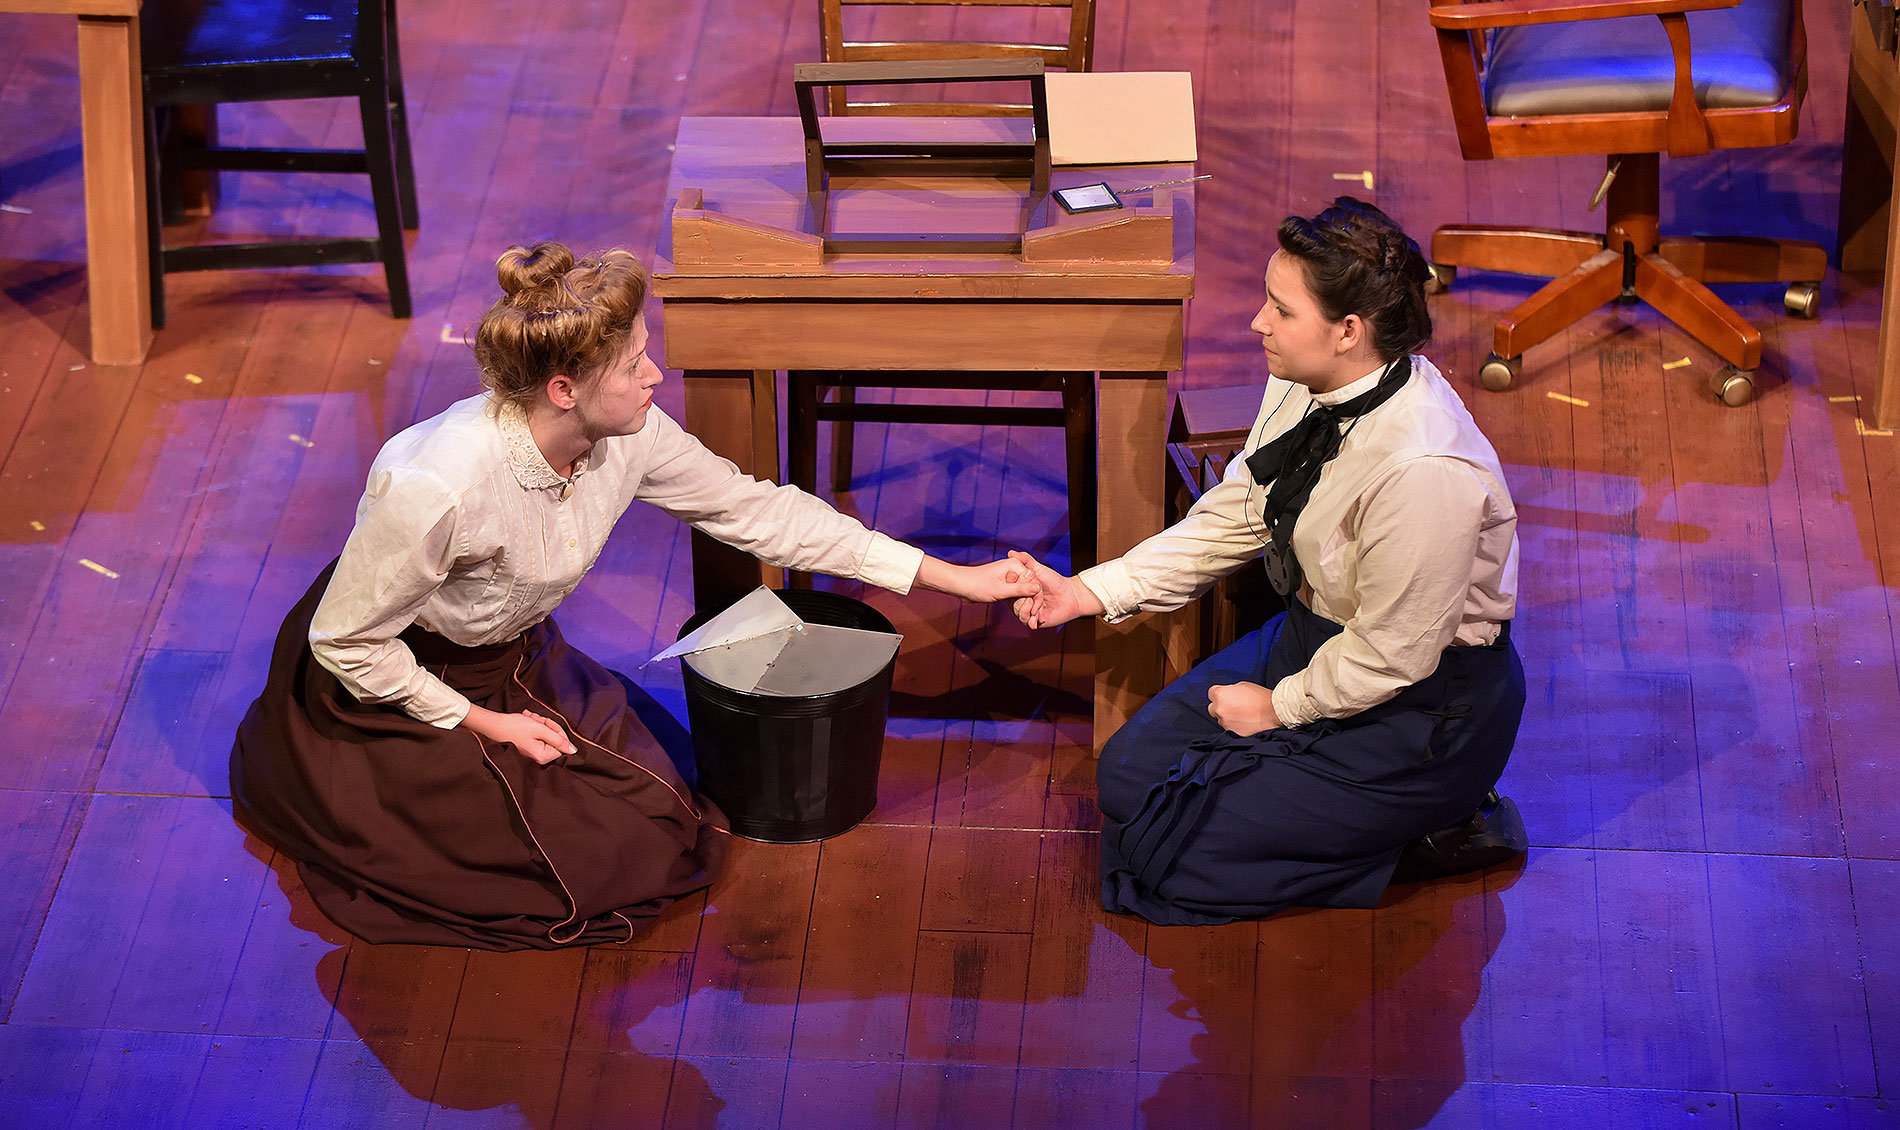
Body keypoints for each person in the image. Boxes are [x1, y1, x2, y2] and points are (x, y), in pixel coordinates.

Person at [232, 241, 1034, 951]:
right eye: (631, 367)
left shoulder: (630, 436)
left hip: (510, 660)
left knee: (659, 821)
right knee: (586, 868)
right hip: (400, 678)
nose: (655, 376)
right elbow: (345, 642)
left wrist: (951, 579)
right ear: (561, 389)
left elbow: (757, 512)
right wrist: (488, 724)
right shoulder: (438, 485)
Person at [1009, 198, 1525, 925]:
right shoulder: (1304, 378)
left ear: (1348, 331)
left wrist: (1278, 708)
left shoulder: (1423, 471)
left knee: (1173, 859)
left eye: (1280, 310)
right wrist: (1093, 591)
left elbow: (1394, 654)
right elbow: (1243, 509)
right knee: (1127, 781)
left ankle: (1438, 827)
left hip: (1422, 707)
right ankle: (1304, 809)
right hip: (1315, 642)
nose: (1258, 322)